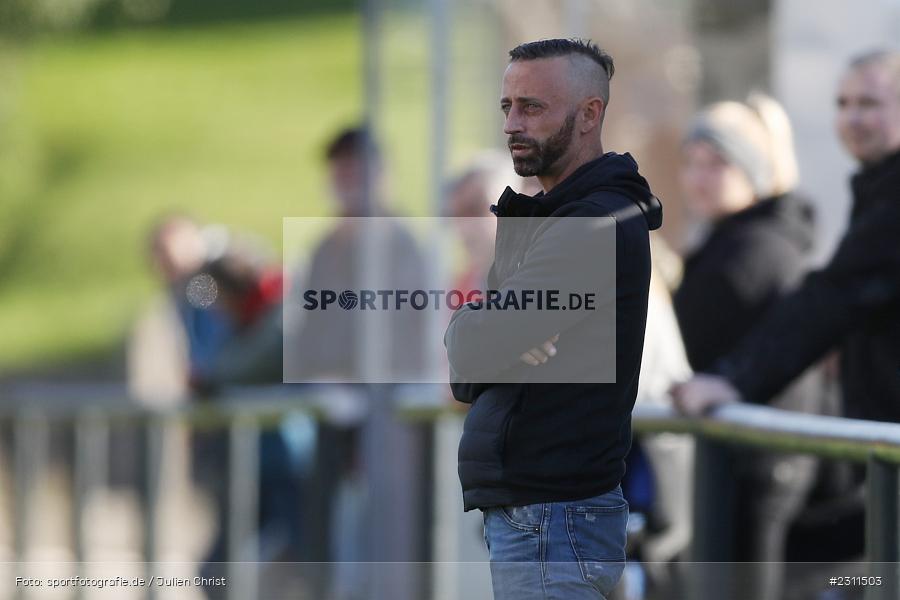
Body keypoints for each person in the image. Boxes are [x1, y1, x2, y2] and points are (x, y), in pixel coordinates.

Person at [444, 39, 663, 599]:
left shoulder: (593, 223)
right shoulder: (552, 215)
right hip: (544, 513)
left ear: (590, 114)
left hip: (555, 516)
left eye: (533, 107)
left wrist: (490, 335)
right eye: (507, 107)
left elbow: (472, 350)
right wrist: (494, 334)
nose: (513, 124)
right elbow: (469, 368)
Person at [670, 49, 900, 423]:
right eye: (843, 103)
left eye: (869, 103)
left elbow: (834, 296)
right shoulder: (877, 191)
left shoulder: (755, 253)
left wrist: (735, 380)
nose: (852, 118)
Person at [673, 95, 825, 600]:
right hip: (753, 458)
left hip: (756, 464)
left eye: (717, 163)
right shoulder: (734, 240)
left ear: (752, 170)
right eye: (692, 162)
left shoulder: (751, 252)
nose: (699, 177)